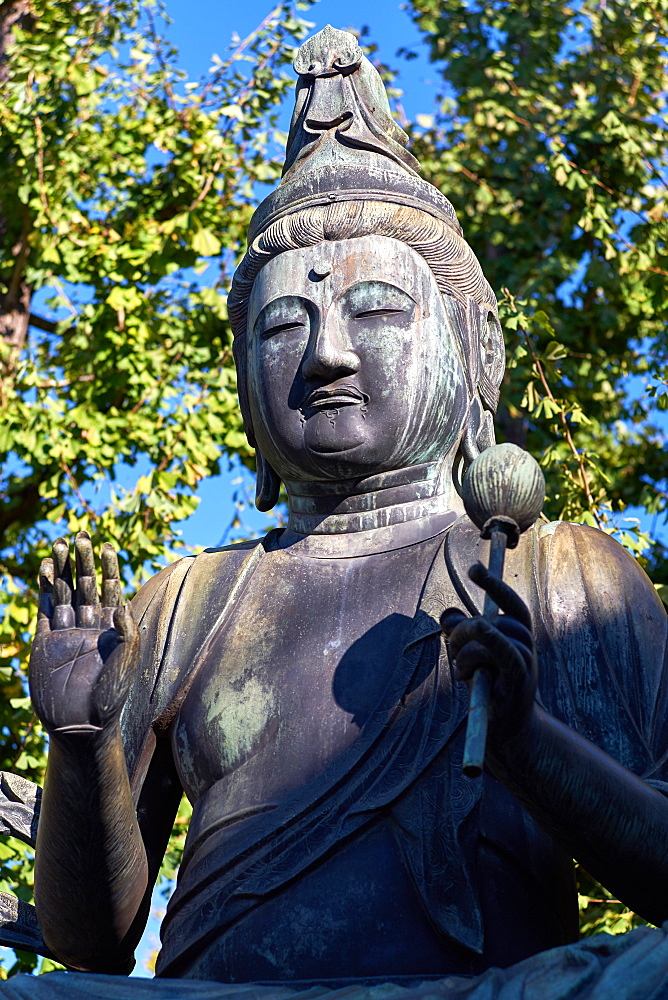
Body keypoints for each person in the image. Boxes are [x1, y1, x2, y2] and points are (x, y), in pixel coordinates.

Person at [4, 25, 668, 1000]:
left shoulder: (552, 572)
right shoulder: (188, 598)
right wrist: (80, 742)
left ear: (472, 348)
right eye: (283, 324)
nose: (326, 355)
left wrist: (530, 744)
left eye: (374, 312)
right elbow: (90, 943)